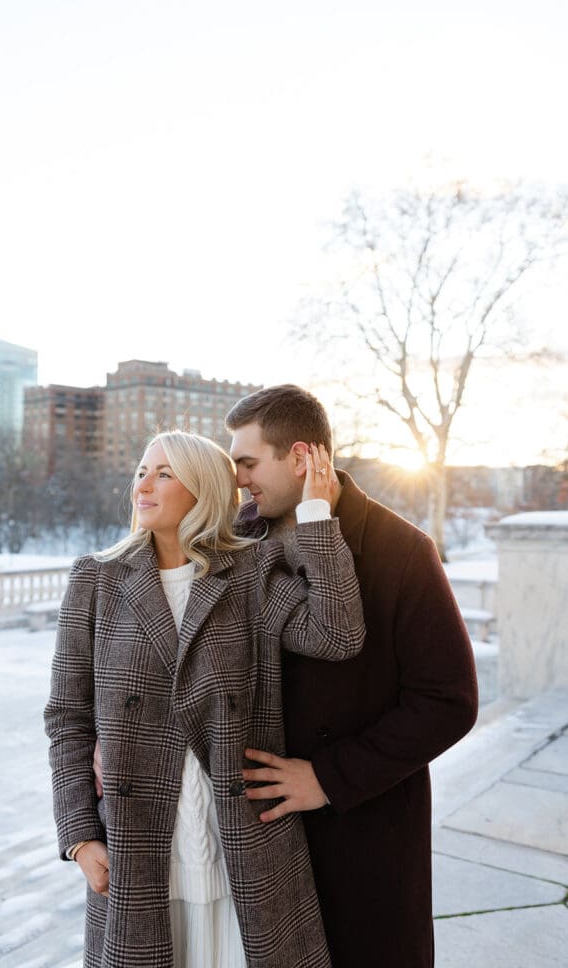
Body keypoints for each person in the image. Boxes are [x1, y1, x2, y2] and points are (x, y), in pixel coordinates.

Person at [44, 429, 365, 968]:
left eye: (164, 474)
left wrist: (315, 518)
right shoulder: (96, 580)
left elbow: (338, 635)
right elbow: (67, 718)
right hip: (137, 849)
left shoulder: (253, 574)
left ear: (205, 489)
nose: (142, 485)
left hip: (245, 848)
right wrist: (78, 833)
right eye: (141, 471)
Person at [223, 384, 479, 968]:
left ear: (302, 458)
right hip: (257, 833)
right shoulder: (236, 539)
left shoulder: (401, 550)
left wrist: (329, 778)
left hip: (363, 835)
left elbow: (449, 700)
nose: (239, 478)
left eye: (248, 461)